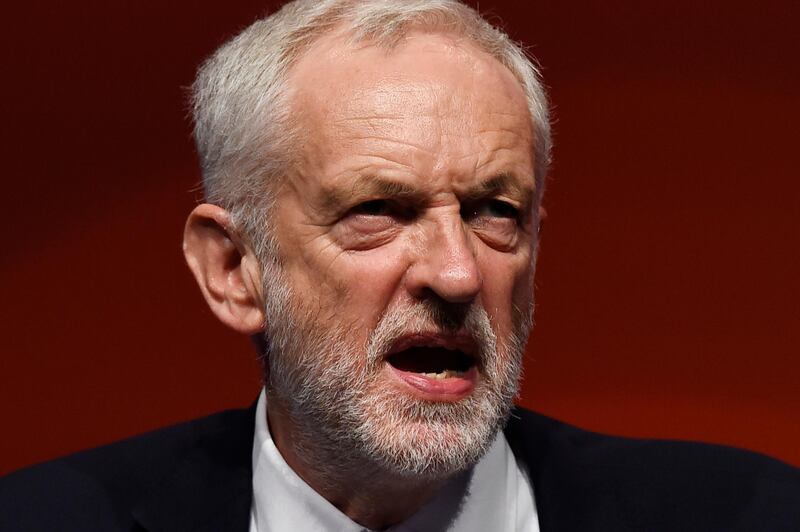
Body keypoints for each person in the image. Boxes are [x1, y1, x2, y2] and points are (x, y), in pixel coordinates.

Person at [1, 1, 798, 530]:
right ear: (234, 269)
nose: (456, 275)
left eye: (495, 213)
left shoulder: (754, 514)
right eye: (378, 211)